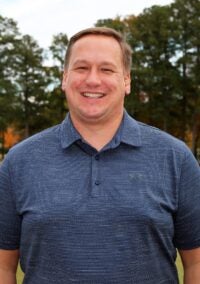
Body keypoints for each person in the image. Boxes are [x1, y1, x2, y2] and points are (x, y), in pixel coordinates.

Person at [0, 27, 200, 284]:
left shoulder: (176, 158)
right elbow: (4, 268)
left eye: (107, 69)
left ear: (126, 81)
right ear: (64, 78)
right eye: (81, 68)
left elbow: (195, 262)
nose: (93, 80)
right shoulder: (18, 162)